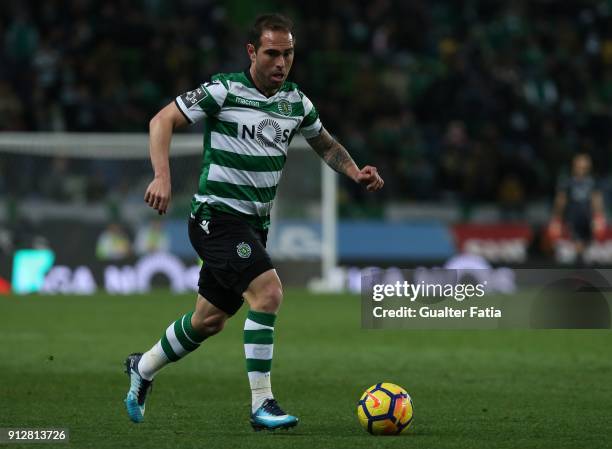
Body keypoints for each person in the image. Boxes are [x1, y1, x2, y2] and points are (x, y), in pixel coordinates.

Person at [124, 13, 384, 431]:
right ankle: (262, 405)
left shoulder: (296, 103)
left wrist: (355, 172)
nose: (281, 63)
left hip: (252, 226)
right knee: (268, 293)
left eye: (288, 54)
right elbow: (162, 120)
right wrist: (162, 175)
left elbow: (326, 144)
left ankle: (144, 366)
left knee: (208, 321)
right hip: (215, 217)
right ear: (252, 52)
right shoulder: (224, 89)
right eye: (272, 53)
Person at [547, 153, 606, 262]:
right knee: (574, 246)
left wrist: (599, 217)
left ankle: (583, 266)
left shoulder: (593, 181)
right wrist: (556, 219)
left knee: (588, 247)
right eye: (578, 166)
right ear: (573, 166)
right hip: (572, 217)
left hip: (588, 218)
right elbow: (560, 201)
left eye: (584, 167)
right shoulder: (567, 181)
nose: (581, 169)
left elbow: (596, 199)